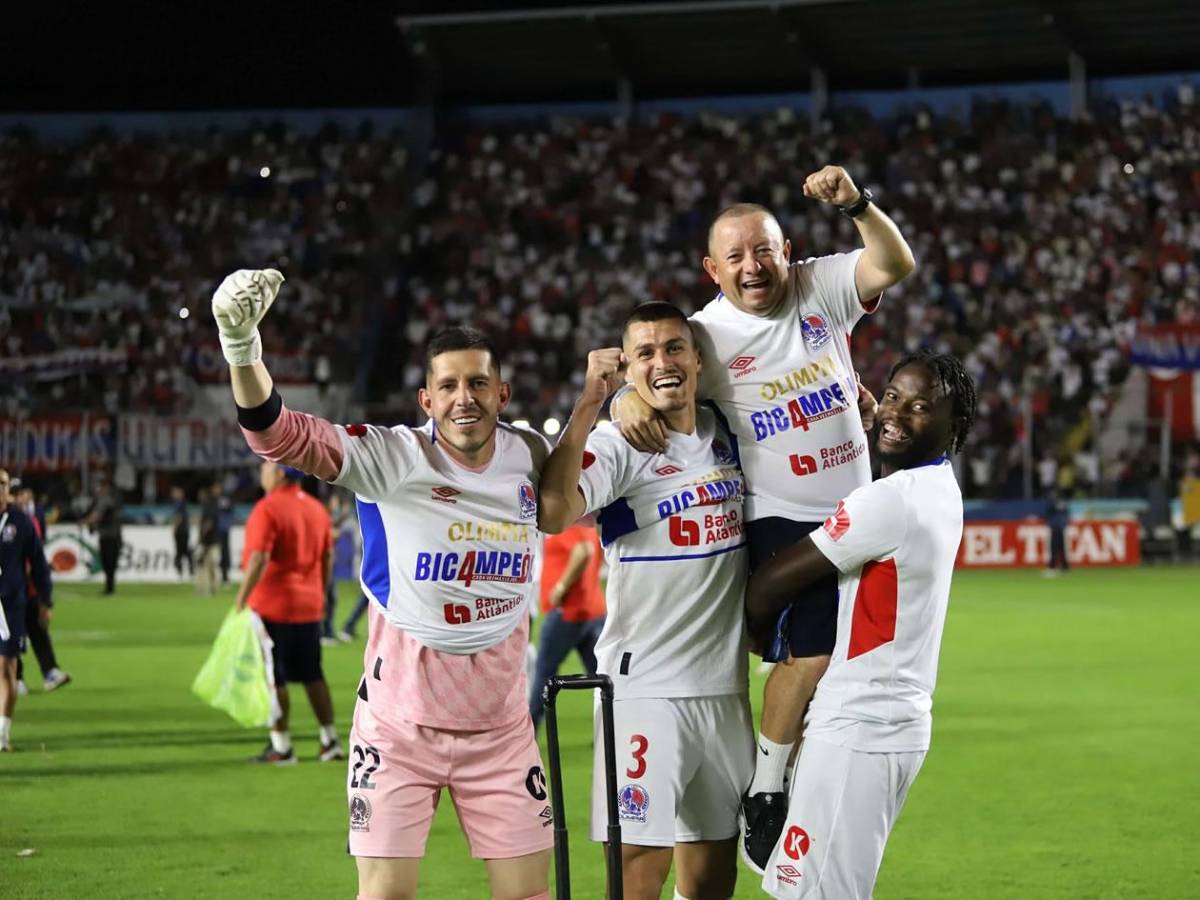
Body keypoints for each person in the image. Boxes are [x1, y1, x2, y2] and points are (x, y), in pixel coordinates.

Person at [212, 268, 554, 900]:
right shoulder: (391, 457)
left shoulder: (532, 456)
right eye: (447, 385)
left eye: (478, 382)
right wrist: (243, 349)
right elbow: (276, 434)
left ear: (502, 394)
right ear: (426, 400)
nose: (464, 398)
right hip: (398, 730)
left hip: (503, 730)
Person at [612, 166, 915, 869]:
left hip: (857, 513)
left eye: (765, 250)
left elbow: (894, 262)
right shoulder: (703, 337)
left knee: (838, 672)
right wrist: (624, 399)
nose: (754, 266)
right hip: (781, 518)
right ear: (711, 268)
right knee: (809, 654)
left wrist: (860, 205)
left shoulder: (818, 286)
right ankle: (767, 790)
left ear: (788, 251)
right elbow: (649, 370)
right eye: (737, 256)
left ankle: (792, 784)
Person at [539, 302, 754, 900]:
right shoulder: (617, 443)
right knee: (636, 869)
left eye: (674, 348)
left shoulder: (729, 431)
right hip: (644, 689)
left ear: (697, 358)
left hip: (724, 688)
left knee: (714, 876)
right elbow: (554, 512)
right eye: (645, 353)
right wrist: (593, 401)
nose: (663, 362)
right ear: (627, 367)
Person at [743, 350, 976, 899]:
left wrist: (757, 638)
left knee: (817, 893)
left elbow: (772, 582)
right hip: (882, 725)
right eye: (893, 396)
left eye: (920, 406)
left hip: (859, 729)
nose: (897, 413)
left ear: (953, 424)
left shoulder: (888, 503)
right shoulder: (938, 487)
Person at [235, 461, 340, 765]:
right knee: (313, 674)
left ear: (279, 473)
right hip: (308, 605)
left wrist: (241, 600)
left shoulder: (267, 509)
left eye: (264, 468)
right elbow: (328, 558)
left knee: (274, 678)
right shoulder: (317, 509)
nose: (261, 474)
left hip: (272, 604)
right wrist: (319, 596)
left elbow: (258, 559)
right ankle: (330, 740)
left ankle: (281, 747)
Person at [526, 515, 605, 730]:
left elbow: (583, 552)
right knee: (604, 681)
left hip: (567, 613)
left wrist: (561, 588)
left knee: (543, 680)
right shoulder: (588, 525)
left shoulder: (566, 523)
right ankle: (618, 734)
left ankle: (525, 740)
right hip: (593, 610)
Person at [0, 468, 54, 751]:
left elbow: (39, 562)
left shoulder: (20, 521)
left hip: (10, 606)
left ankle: (2, 733)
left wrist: (46, 600)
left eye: (3, 484)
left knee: (6, 667)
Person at [12, 483, 70, 693]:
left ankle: (50, 671)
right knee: (11, 634)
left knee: (37, 629)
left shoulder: (32, 519)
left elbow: (35, 554)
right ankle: (15, 678)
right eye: (17, 494)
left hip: (29, 587)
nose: (22, 498)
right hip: (10, 589)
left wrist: (45, 593)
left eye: (25, 493)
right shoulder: (10, 521)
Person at [86, 480, 123, 595]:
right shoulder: (114, 499)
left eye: (101, 487)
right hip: (114, 535)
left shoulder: (105, 500)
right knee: (110, 563)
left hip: (109, 536)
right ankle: (110, 587)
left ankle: (109, 587)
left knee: (108, 562)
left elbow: (97, 515)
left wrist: (88, 521)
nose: (99, 490)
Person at [196, 485, 222, 595]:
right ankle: (210, 589)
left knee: (207, 565)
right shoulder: (211, 505)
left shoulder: (208, 506)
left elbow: (209, 523)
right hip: (211, 541)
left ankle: (207, 589)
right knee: (208, 565)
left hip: (210, 541)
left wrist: (202, 536)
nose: (199, 497)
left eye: (201, 495)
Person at [170, 486, 194, 580]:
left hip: (181, 531)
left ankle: (181, 572)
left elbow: (178, 516)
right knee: (184, 551)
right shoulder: (183, 503)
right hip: (185, 531)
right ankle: (190, 571)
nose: (174, 494)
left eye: (175, 492)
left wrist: (174, 528)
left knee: (181, 551)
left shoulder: (179, 503)